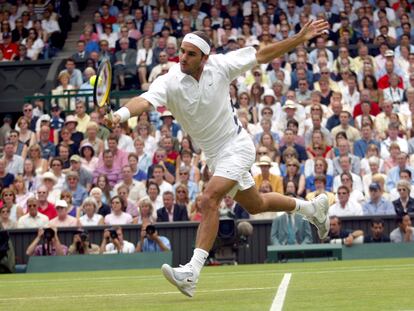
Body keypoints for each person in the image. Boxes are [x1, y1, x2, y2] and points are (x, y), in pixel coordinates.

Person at [112, 24, 330, 297]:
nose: (183, 58)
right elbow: (143, 102)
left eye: (191, 54)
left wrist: (298, 38)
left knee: (208, 199)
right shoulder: (168, 80)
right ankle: (312, 210)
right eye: (181, 52)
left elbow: (263, 55)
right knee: (257, 203)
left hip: (237, 147)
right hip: (216, 157)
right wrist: (119, 115)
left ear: (204, 58)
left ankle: (192, 272)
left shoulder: (221, 65)